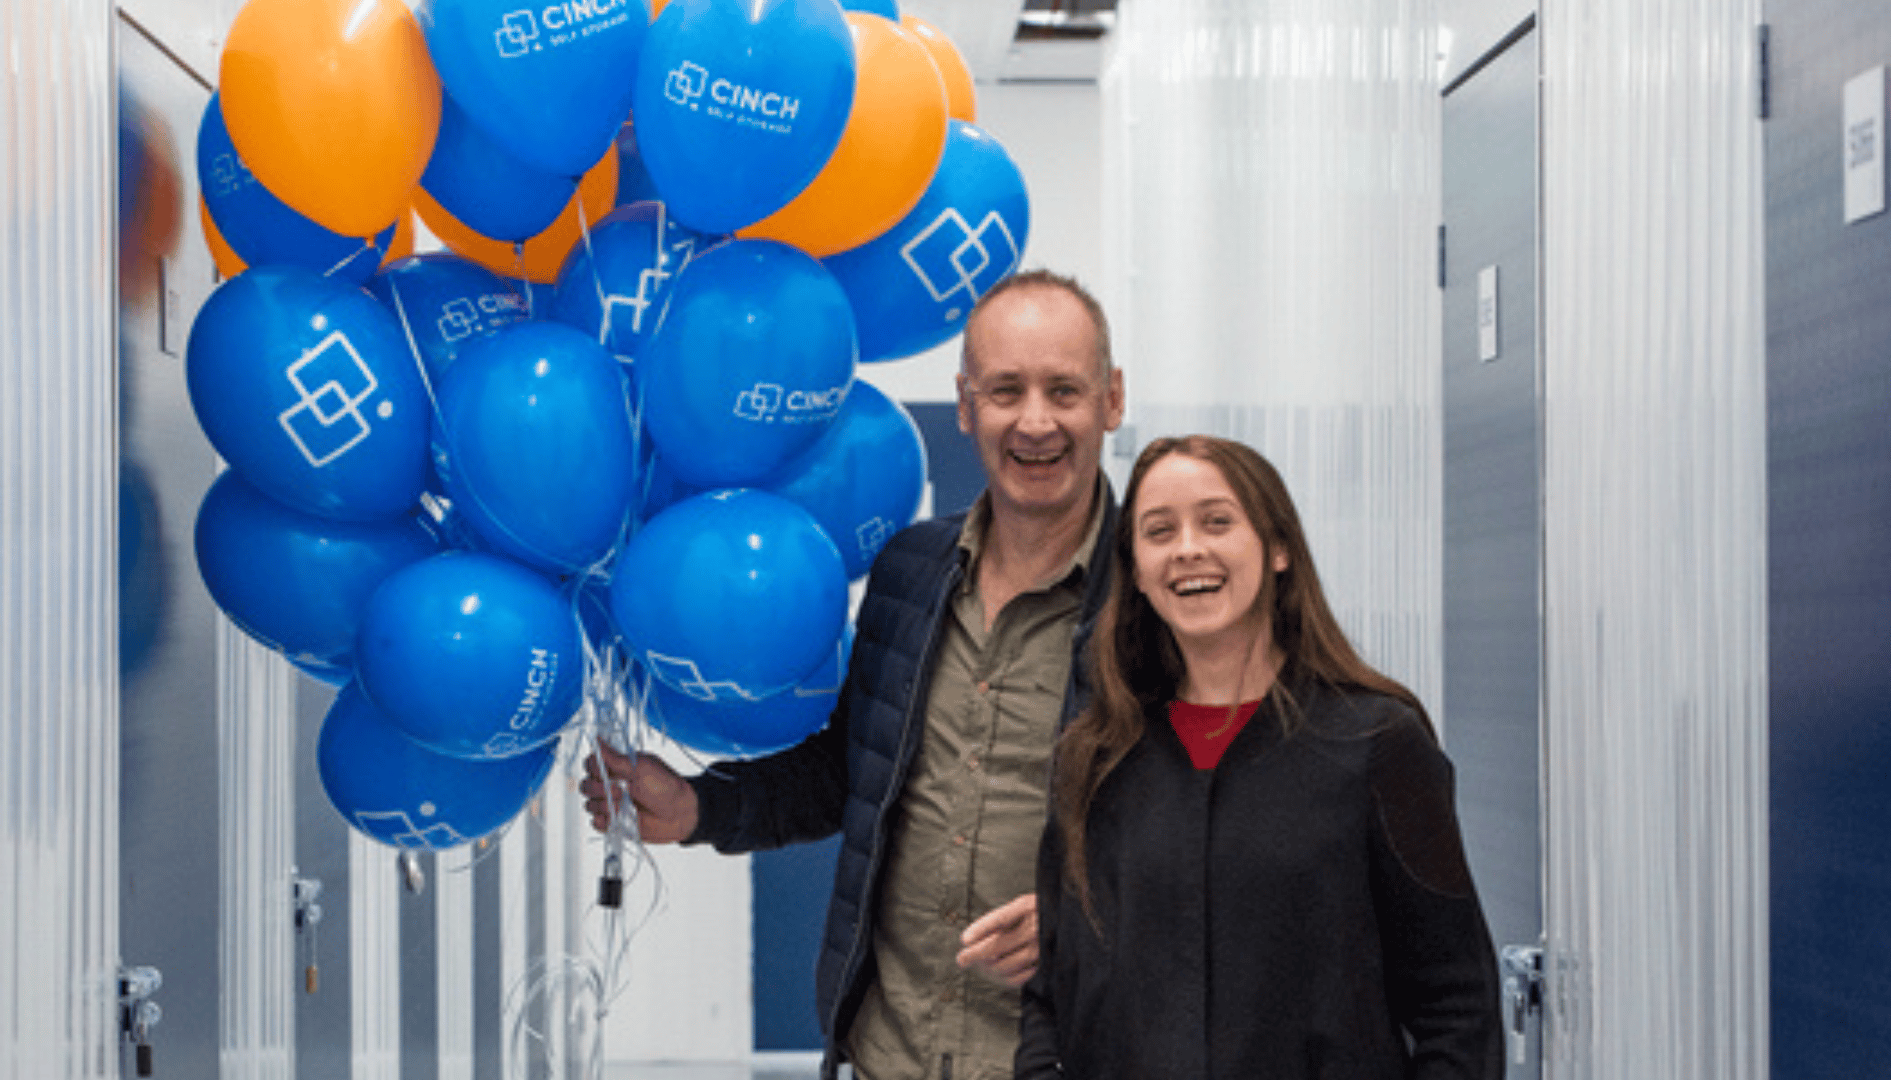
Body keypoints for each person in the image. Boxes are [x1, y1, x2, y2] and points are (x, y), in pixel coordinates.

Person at [580, 268, 1127, 1080]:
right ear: (967, 403)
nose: (1036, 421)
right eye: (1006, 390)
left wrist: (1089, 922)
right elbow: (849, 772)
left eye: (1065, 390)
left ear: (1112, 400)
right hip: (884, 1054)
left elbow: (1218, 851)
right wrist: (698, 804)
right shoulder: (911, 574)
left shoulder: (1150, 608)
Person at [1016, 435, 1503, 1080]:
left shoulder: (1381, 744)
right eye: (1159, 531)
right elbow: (1053, 989)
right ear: (1134, 567)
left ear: (1276, 548)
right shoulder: (1094, 758)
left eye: (1218, 522)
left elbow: (1456, 1006)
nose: (1189, 548)